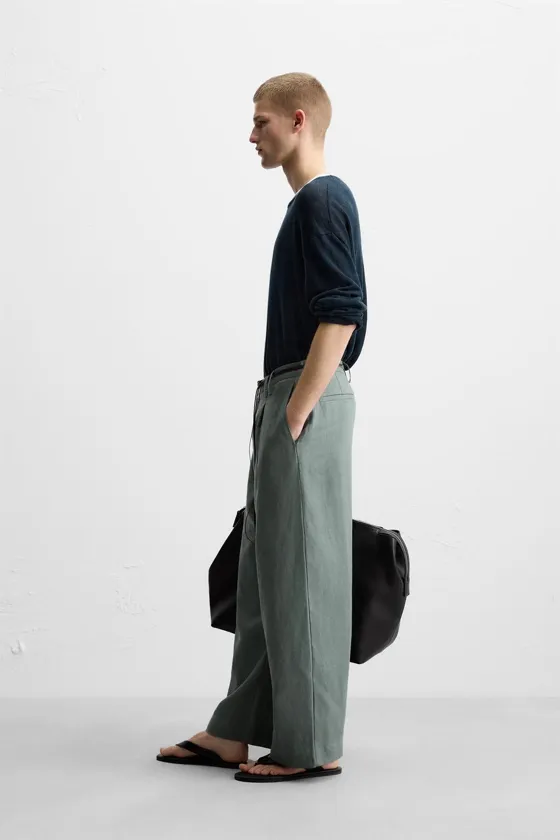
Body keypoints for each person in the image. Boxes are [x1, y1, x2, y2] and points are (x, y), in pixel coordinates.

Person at [158, 72, 368, 782]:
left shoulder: (324, 199)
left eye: (261, 122)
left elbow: (343, 310)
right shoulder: (308, 204)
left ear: (298, 120)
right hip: (285, 393)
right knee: (264, 571)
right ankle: (236, 730)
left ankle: (310, 746)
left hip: (304, 397)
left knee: (303, 571)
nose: (251, 135)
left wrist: (299, 407)